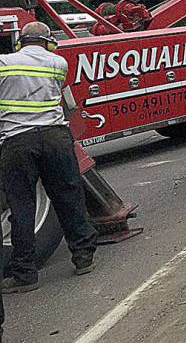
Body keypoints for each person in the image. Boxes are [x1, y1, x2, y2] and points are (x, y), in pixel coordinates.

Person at [0, 22, 96, 294]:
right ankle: (83, 257)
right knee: (68, 196)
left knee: (21, 206)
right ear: (48, 42)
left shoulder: (4, 63)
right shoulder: (58, 63)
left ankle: (25, 274)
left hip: (18, 140)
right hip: (55, 137)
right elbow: (64, 100)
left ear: (20, 42)